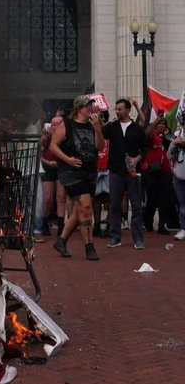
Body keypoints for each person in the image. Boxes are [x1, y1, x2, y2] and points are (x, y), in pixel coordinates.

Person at [49, 95, 105, 261]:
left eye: (91, 106)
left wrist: (97, 128)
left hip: (89, 171)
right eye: (87, 106)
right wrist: (68, 160)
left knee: (79, 210)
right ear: (79, 108)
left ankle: (61, 241)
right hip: (71, 172)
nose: (90, 108)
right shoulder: (66, 124)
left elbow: (100, 147)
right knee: (86, 207)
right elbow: (53, 145)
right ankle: (89, 246)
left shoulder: (93, 125)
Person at [102, 98, 150, 250]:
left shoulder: (136, 128)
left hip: (133, 172)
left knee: (136, 205)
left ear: (128, 111)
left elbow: (145, 146)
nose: (117, 111)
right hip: (115, 170)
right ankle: (115, 237)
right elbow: (100, 133)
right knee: (114, 203)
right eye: (116, 109)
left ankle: (138, 238)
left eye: (120, 109)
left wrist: (138, 158)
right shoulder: (112, 127)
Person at [141, 114, 173, 234]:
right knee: (153, 197)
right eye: (159, 123)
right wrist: (155, 121)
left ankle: (161, 225)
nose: (160, 125)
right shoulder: (150, 136)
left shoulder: (168, 138)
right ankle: (147, 220)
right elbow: (146, 133)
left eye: (163, 123)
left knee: (164, 197)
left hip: (165, 171)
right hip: (149, 171)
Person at [167, 121, 185, 240]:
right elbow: (169, 155)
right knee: (183, 205)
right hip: (179, 175)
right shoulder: (178, 134)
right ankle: (183, 229)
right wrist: (174, 143)